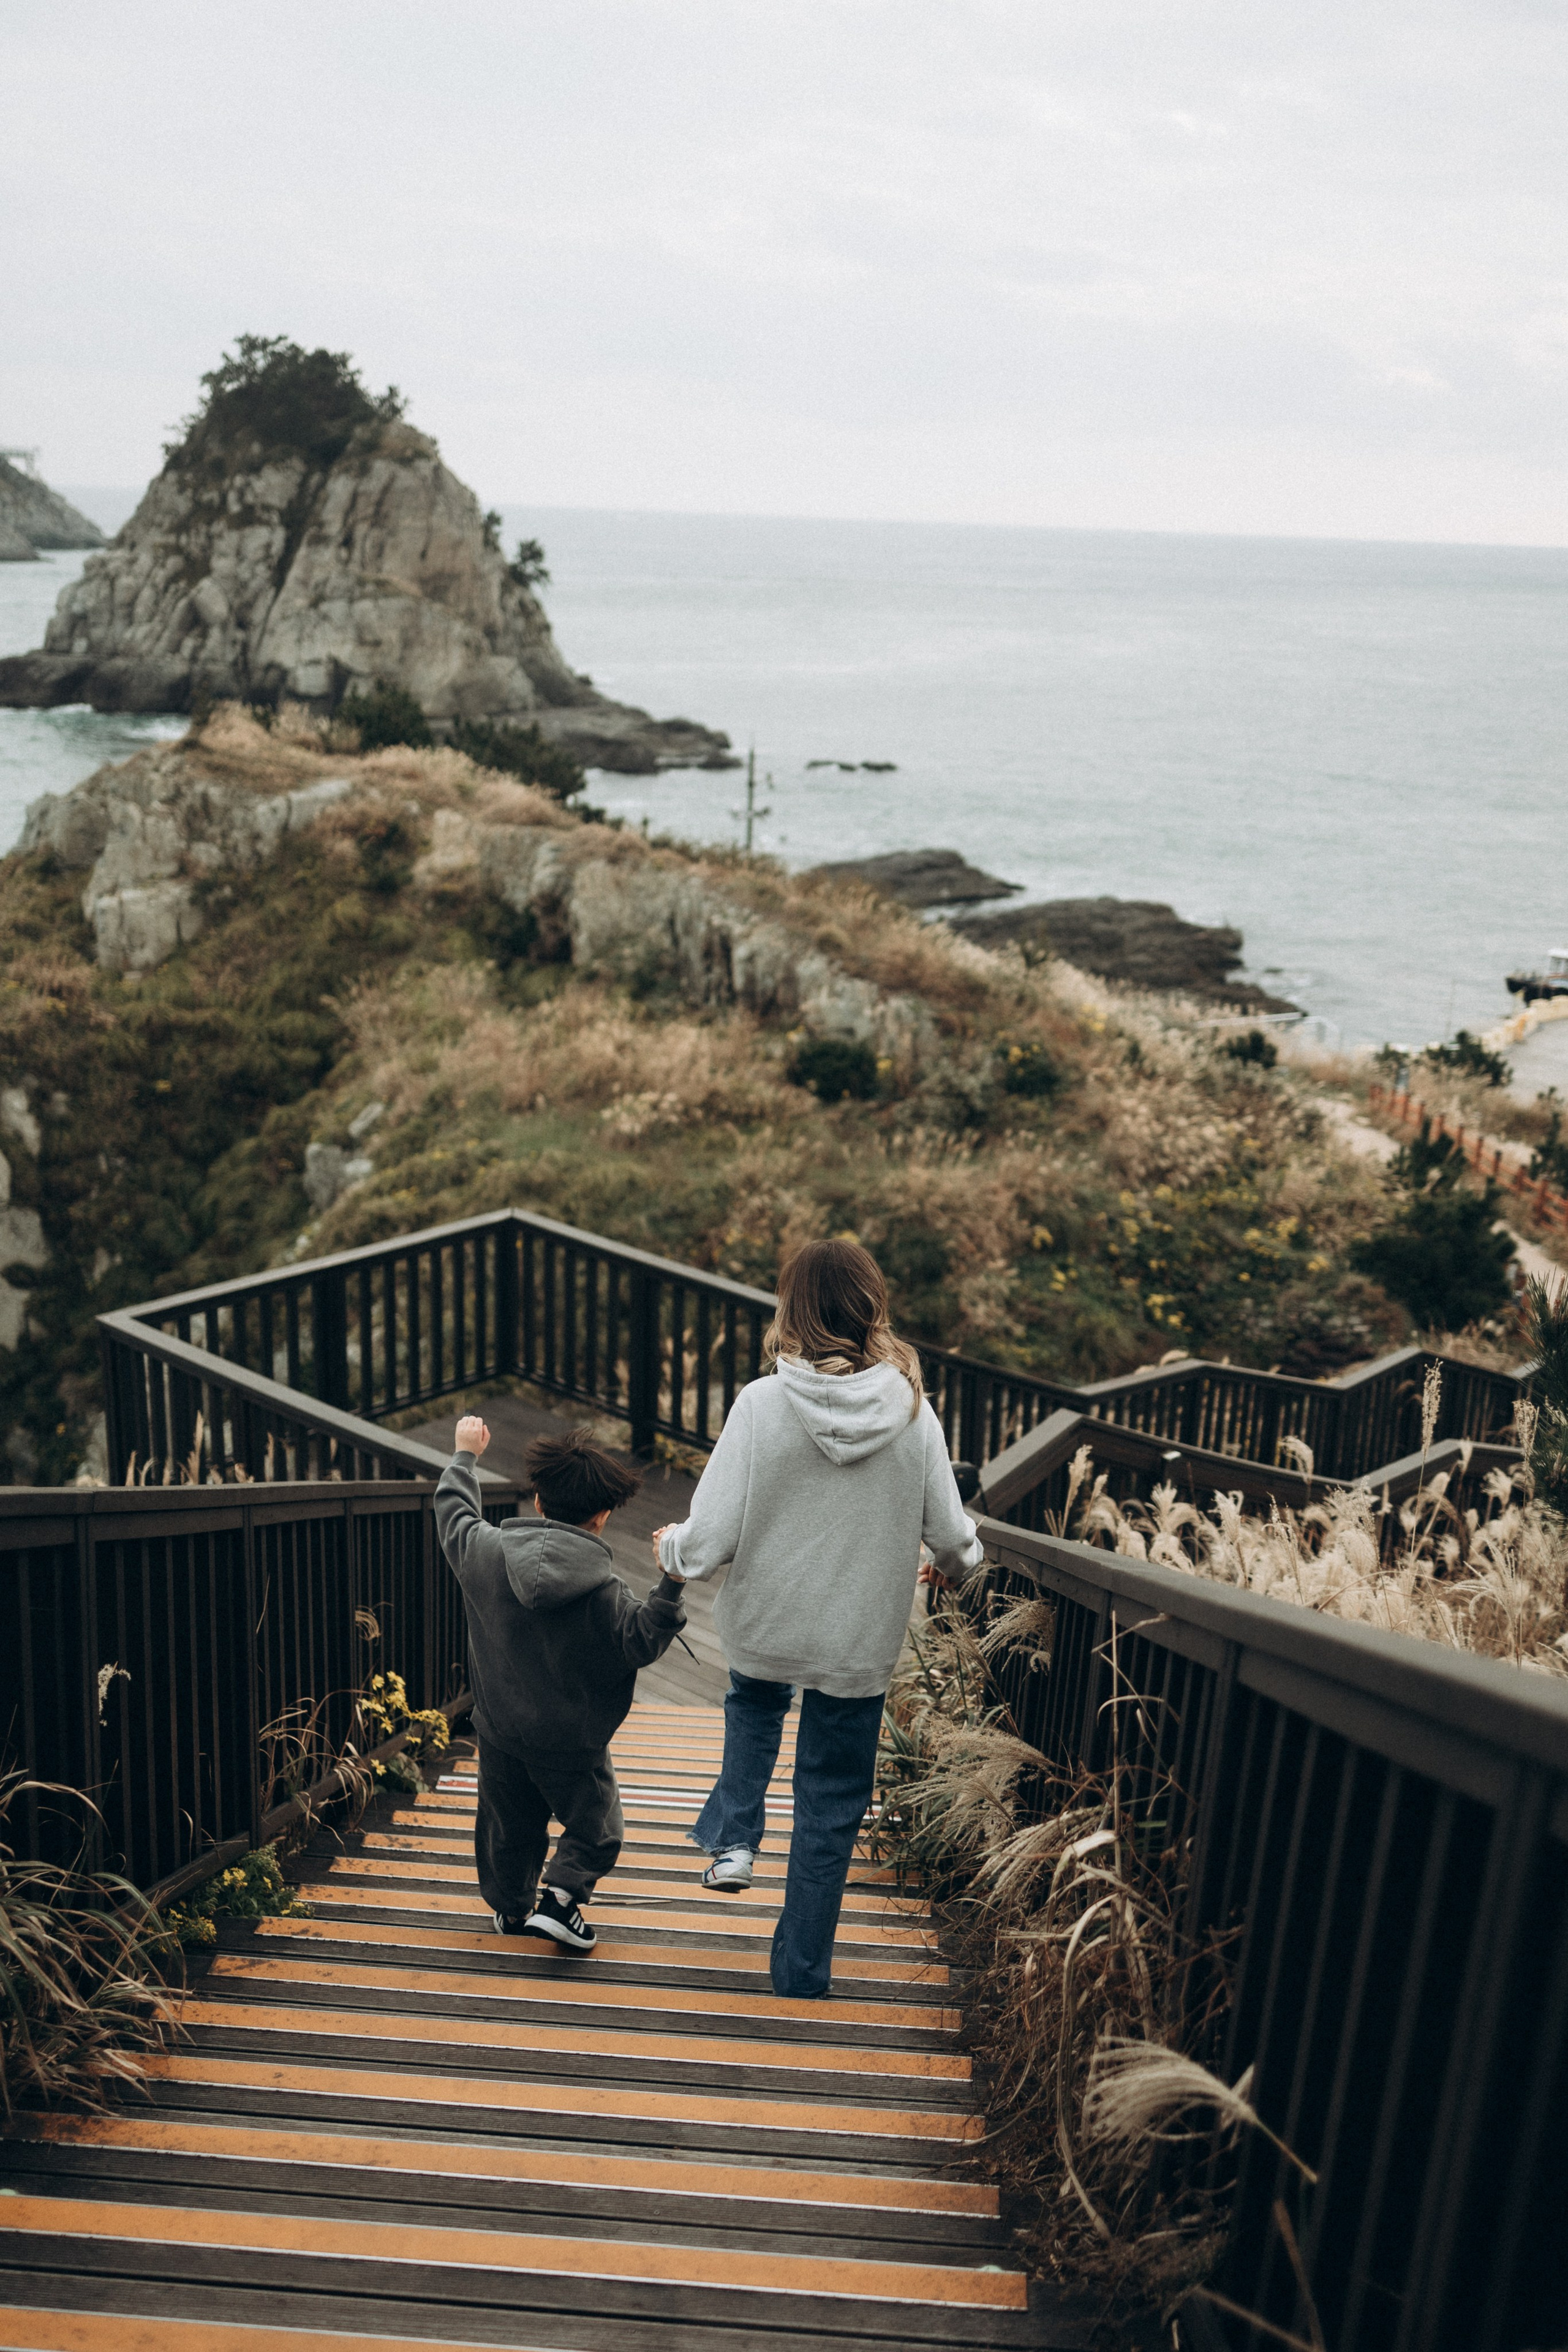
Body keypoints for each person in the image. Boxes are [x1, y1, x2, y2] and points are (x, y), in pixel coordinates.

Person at [651, 1237, 982, 1997]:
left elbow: (709, 1537)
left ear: (792, 1310)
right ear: (872, 1307)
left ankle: (735, 1839)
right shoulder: (913, 1412)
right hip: (856, 1641)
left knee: (754, 1700)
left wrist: (672, 1549)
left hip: (766, 1624)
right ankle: (801, 1973)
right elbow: (952, 1538)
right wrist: (958, 1565)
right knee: (831, 1803)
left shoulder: (760, 1405)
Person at [435, 1416, 687, 1954]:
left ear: (538, 1502)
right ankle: (561, 1900)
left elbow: (453, 1514)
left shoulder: (483, 1552)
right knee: (597, 1824)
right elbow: (644, 1639)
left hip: (500, 1732)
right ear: (602, 1517)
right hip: (572, 1744)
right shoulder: (606, 1594)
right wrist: (671, 1579)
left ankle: (512, 1910)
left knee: (508, 1827)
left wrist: (465, 1456)